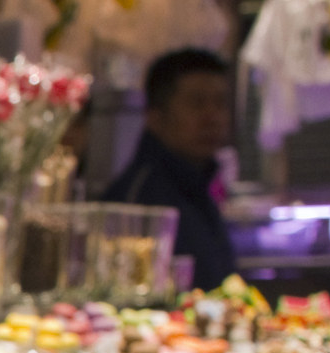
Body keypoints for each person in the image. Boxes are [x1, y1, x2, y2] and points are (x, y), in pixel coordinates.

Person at [101, 48, 239, 288]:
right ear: (155, 116)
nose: (212, 117)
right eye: (197, 103)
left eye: (220, 103)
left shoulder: (200, 186)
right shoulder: (136, 198)